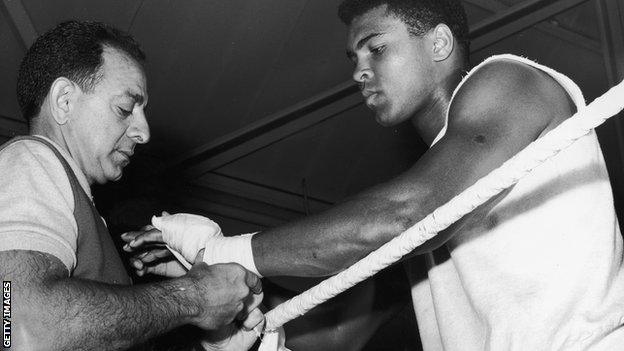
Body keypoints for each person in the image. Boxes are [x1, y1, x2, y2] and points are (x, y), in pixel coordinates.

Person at [127, 0, 624, 349]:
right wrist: (220, 296)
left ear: (440, 42)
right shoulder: (431, 188)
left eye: (376, 48)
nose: (358, 71)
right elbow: (337, 336)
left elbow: (411, 212)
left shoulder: (509, 80)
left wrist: (224, 252)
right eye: (354, 58)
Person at [0, 20, 264, 351]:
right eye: (126, 108)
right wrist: (193, 297)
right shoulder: (30, 159)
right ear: (64, 100)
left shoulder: (82, 210)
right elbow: (16, 326)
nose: (143, 132)